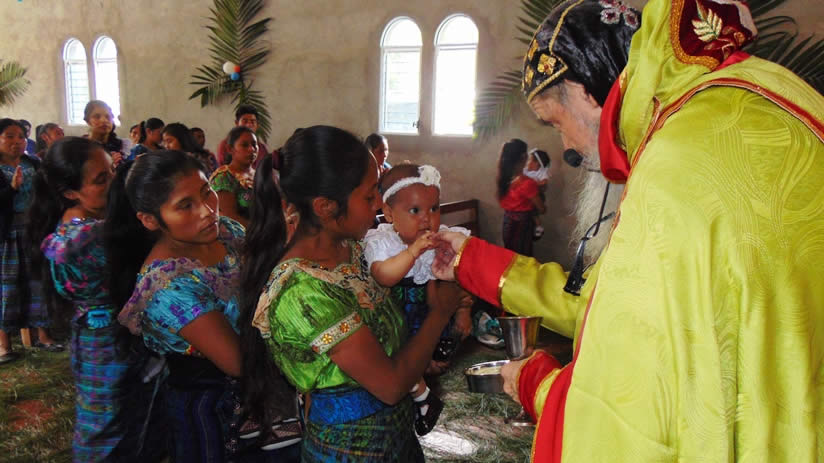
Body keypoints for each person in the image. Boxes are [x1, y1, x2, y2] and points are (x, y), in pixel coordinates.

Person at [432, 0, 824, 461]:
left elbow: (629, 410)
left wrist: (535, 382)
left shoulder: (674, 168)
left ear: (583, 92)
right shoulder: (761, 98)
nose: (568, 147)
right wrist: (471, 259)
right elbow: (607, 308)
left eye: (556, 122)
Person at [237, 125, 463, 461]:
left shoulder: (355, 250)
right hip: (350, 449)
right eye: (370, 196)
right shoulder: (303, 291)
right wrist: (441, 311)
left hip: (396, 437)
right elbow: (390, 385)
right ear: (326, 207)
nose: (379, 205)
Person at [106, 150, 300, 462]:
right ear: (150, 220)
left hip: (262, 395)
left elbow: (262, 278)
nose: (207, 210)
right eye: (185, 205)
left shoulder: (225, 232)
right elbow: (238, 361)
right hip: (213, 410)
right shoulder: (168, 286)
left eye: (207, 191)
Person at [28, 137, 166, 462]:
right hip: (105, 344)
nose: (114, 183)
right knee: (106, 432)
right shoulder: (81, 239)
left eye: (113, 171)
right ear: (70, 193)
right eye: (101, 179)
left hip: (122, 337)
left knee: (139, 420)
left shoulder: (102, 221)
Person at [363, 163, 473, 434]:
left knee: (432, 356)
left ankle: (425, 393)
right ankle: (423, 400)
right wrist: (412, 253)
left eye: (434, 208)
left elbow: (460, 280)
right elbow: (384, 276)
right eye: (415, 211)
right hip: (397, 317)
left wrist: (463, 313)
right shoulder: (382, 241)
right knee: (395, 357)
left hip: (430, 315)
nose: (427, 218)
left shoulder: (442, 238)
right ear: (389, 213)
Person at [0, 118, 62, 365]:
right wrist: (12, 189)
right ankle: (4, 344)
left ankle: (43, 335)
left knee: (38, 282)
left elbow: (48, 192)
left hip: (33, 230)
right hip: (6, 235)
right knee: (7, 287)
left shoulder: (32, 163)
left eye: (21, 137)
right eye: (9, 136)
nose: (17, 142)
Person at [497, 138, 545, 257]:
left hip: (507, 222)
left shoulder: (503, 179)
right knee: (523, 257)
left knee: (510, 255)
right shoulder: (527, 183)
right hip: (522, 226)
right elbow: (542, 209)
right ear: (524, 157)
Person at [210, 126, 256, 228]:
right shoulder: (224, 177)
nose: (252, 149)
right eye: (245, 145)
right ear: (230, 149)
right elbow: (231, 218)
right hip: (242, 234)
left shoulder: (260, 174)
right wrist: (262, 232)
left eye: (254, 144)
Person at [83, 100, 126, 167]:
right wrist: (108, 165)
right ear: (88, 121)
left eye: (108, 117)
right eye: (97, 117)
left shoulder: (122, 146)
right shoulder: (81, 147)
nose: (104, 120)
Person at [524, 148, 550, 239]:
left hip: (537, 196)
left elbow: (544, 182)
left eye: (530, 160)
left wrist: (535, 184)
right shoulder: (525, 170)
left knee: (534, 214)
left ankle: (539, 227)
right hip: (527, 196)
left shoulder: (541, 172)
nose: (528, 163)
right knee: (530, 214)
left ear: (537, 164)